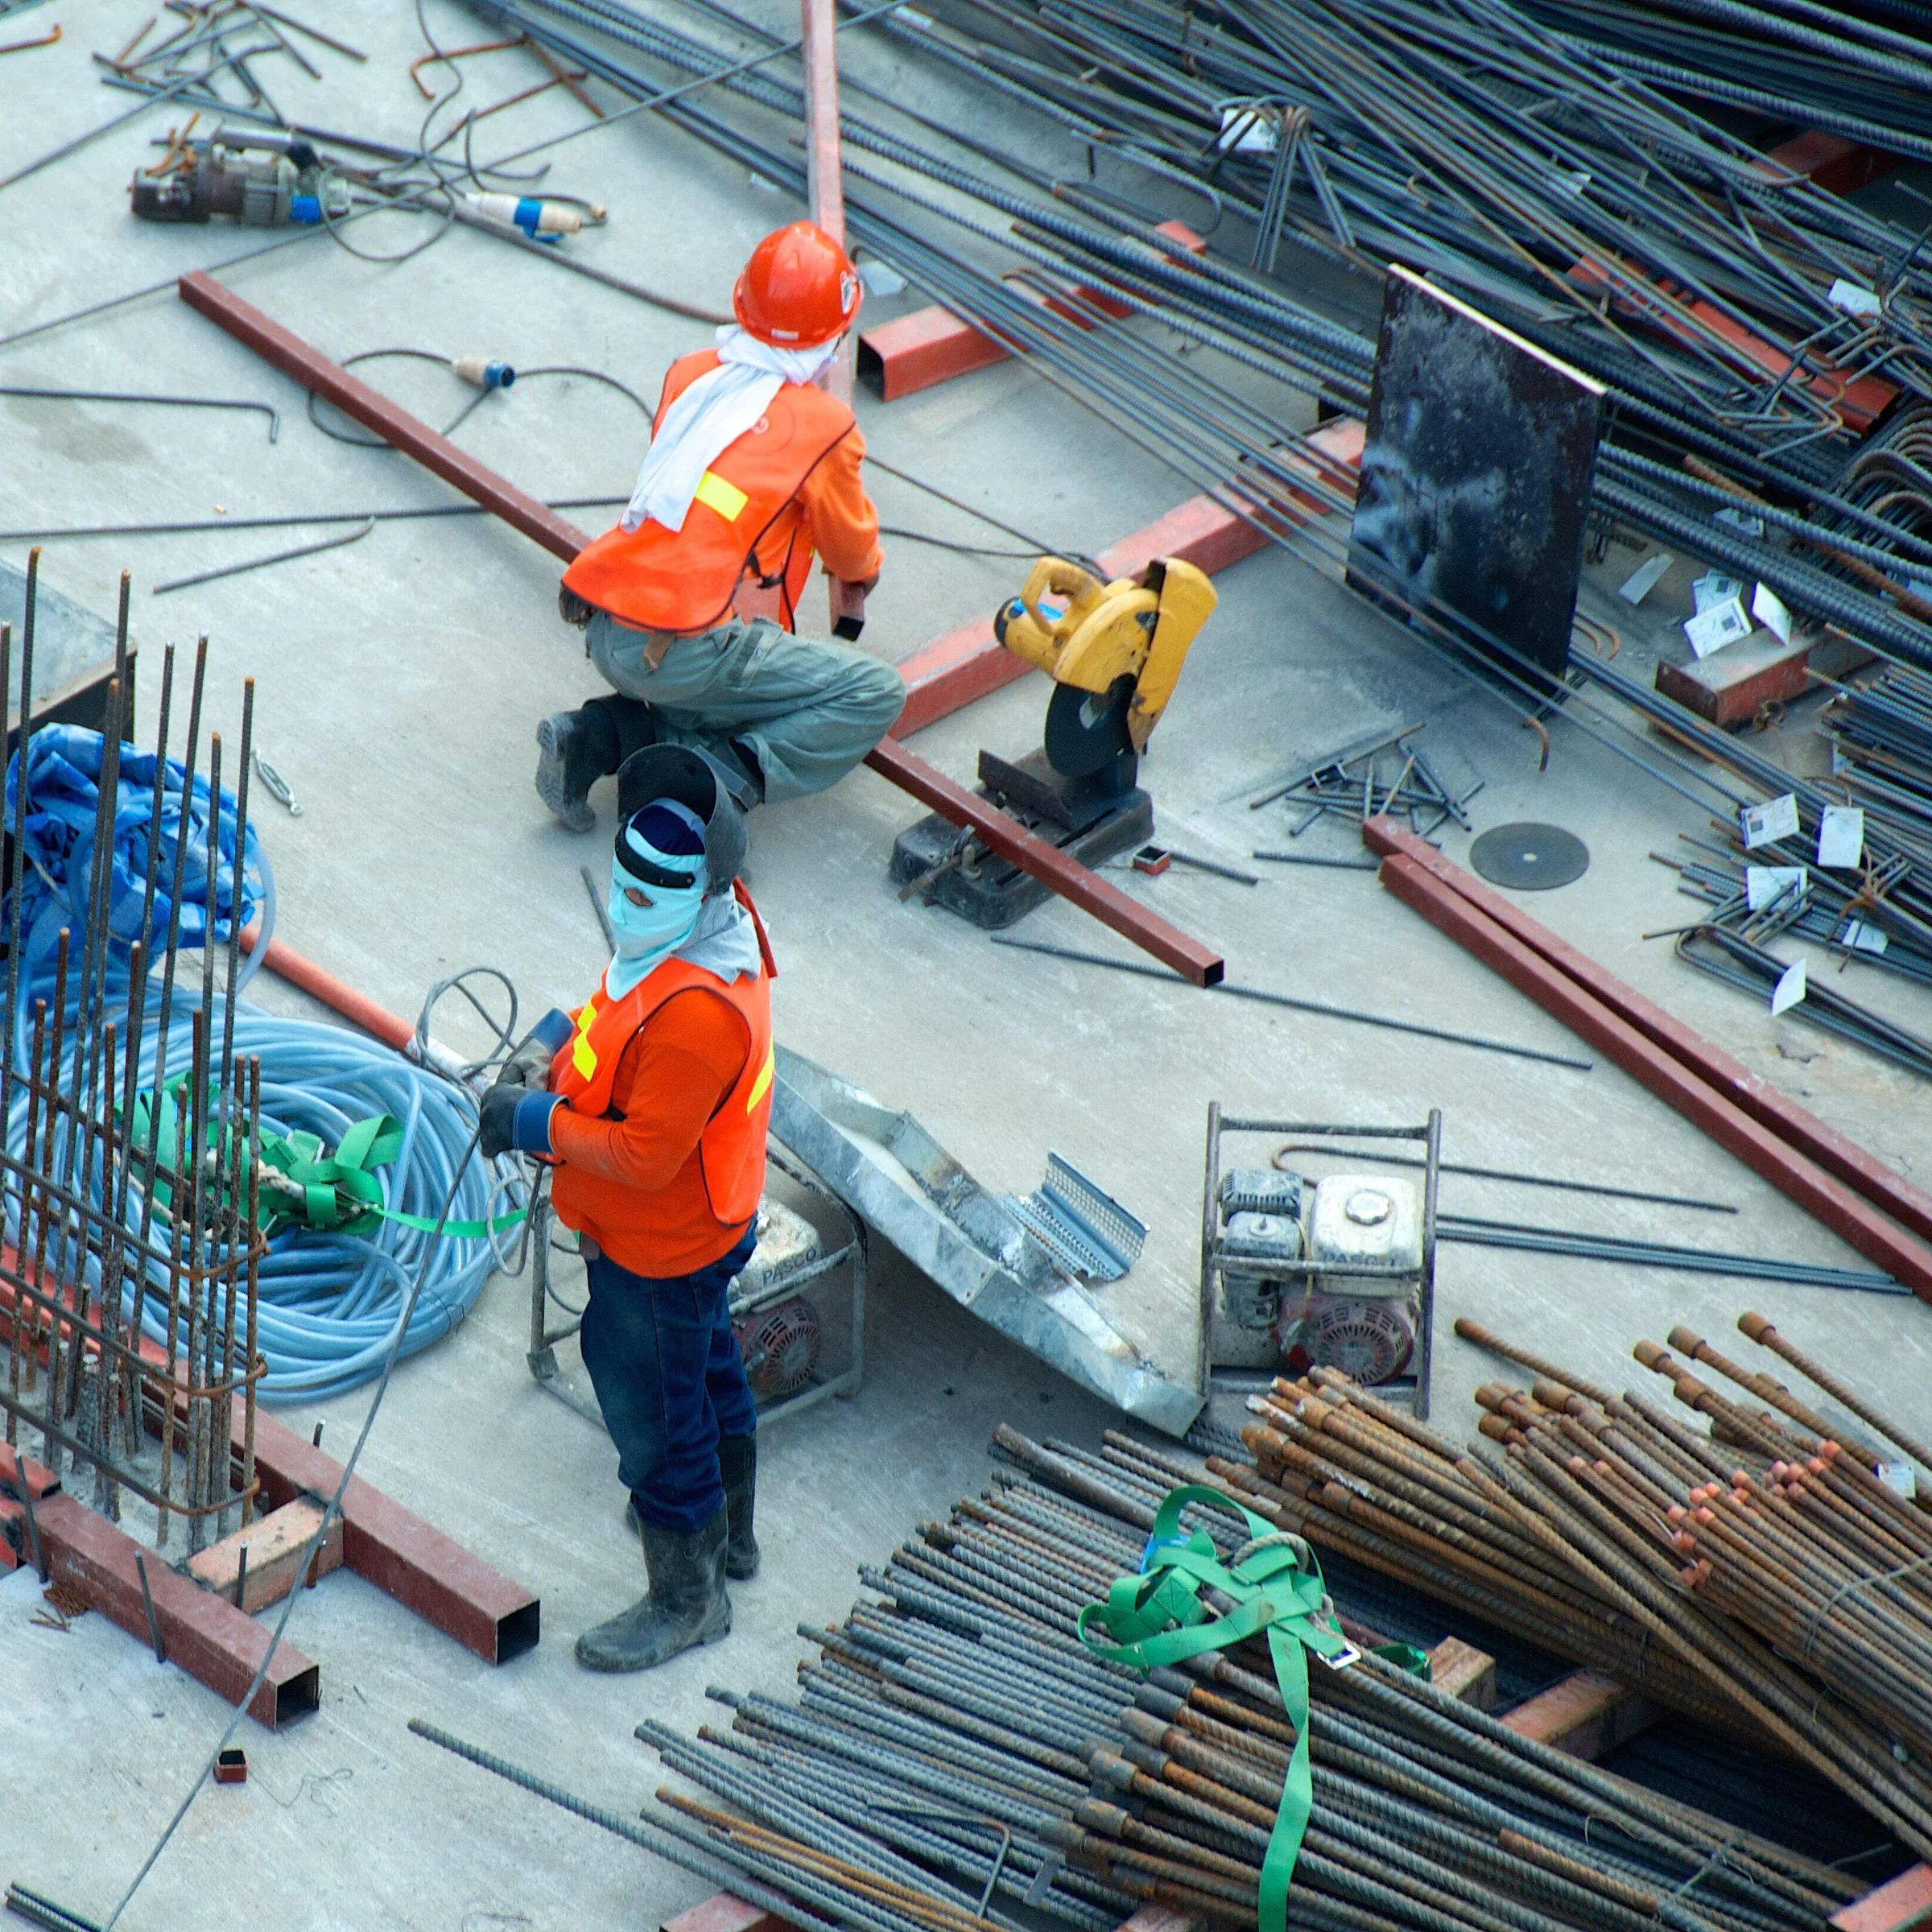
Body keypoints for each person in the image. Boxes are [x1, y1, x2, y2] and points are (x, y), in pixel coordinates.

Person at [481, 744, 774, 1672]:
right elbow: (615, 1019)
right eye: (623, 885)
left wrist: (533, 1119)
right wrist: (552, 1044)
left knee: (656, 1418)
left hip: (660, 1247)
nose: (627, 907)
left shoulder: (697, 1014)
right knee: (707, 1367)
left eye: (651, 894)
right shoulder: (699, 937)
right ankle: (728, 1538)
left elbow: (646, 1156)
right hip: (706, 1225)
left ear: (703, 889)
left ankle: (689, 1599)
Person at [536, 220, 906, 831]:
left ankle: (594, 738)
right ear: (834, 335)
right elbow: (849, 552)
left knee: (719, 689)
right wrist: (864, 570)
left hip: (609, 620)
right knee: (872, 692)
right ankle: (711, 785)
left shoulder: (692, 374)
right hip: (684, 648)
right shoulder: (824, 426)